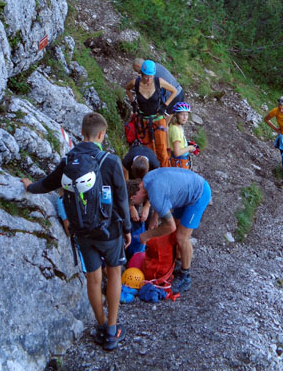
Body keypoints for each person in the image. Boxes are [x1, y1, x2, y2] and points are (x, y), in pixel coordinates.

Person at [21, 112, 131, 351]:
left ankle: (100, 326)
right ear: (101, 135)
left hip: (82, 231)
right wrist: (128, 228)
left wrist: (29, 186)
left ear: (82, 134)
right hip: (109, 230)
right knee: (114, 273)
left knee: (93, 278)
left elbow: (48, 183)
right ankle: (112, 331)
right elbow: (122, 199)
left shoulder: (69, 160)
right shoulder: (110, 161)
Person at [127, 168, 211, 293]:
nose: (136, 206)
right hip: (184, 191)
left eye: (133, 204)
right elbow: (161, 196)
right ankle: (177, 263)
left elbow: (170, 226)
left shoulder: (155, 195)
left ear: (133, 197)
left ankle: (185, 276)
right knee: (175, 235)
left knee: (182, 237)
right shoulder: (147, 180)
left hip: (198, 194)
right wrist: (155, 218)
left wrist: (146, 235)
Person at [125, 59, 177, 167]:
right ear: (141, 74)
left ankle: (165, 173)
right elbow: (127, 88)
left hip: (157, 119)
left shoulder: (159, 81)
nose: (148, 79)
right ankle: (151, 172)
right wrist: (133, 103)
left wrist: (164, 106)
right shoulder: (136, 83)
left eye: (151, 76)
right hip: (143, 120)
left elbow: (174, 91)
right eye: (146, 76)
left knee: (162, 150)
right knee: (148, 150)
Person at [168, 102, 193, 169]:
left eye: (186, 115)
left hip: (182, 161)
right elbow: (177, 152)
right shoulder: (175, 130)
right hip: (179, 163)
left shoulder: (177, 126)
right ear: (176, 115)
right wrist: (189, 148)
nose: (185, 117)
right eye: (182, 114)